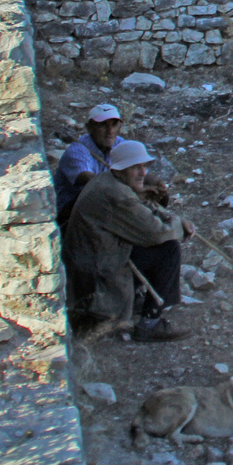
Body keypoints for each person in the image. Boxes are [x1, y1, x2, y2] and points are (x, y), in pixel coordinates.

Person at [63, 140, 196, 342]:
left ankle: (137, 299)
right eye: (136, 167)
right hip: (94, 277)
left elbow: (139, 208)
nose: (143, 173)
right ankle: (150, 323)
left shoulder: (107, 181)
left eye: (144, 166)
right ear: (121, 170)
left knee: (154, 244)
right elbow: (156, 232)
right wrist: (178, 225)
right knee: (168, 249)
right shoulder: (116, 194)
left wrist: (168, 215)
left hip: (89, 262)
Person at [56, 103, 125, 221]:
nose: (110, 131)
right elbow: (90, 180)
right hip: (70, 214)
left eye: (114, 125)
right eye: (103, 125)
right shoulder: (77, 150)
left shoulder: (120, 144)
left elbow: (138, 169)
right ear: (89, 127)